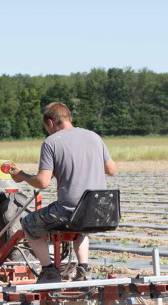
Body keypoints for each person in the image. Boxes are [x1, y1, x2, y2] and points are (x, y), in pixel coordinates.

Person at [9, 102, 116, 284]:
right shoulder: (94, 137)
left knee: (28, 224)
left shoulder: (51, 142)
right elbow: (111, 169)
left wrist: (23, 176)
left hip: (68, 211)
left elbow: (42, 182)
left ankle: (49, 270)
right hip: (99, 210)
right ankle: (83, 269)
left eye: (47, 128)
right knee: (80, 228)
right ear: (69, 118)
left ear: (50, 122)